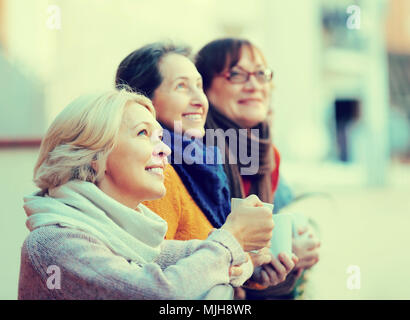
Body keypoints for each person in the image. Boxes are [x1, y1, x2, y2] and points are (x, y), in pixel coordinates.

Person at [18, 89, 276, 300]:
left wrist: (249, 261)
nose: (164, 149)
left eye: (160, 137)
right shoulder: (54, 242)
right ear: (94, 155)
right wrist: (232, 238)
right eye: (143, 133)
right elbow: (158, 294)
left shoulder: (128, 237)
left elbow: (193, 257)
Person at [115, 43, 298, 291]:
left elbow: (203, 263)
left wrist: (250, 271)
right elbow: (154, 280)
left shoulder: (203, 165)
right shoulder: (158, 170)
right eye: (181, 86)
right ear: (143, 102)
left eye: (198, 86)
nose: (199, 100)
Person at [195, 38, 321, 299]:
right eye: (237, 74)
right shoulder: (194, 155)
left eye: (261, 74)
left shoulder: (267, 156)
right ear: (204, 89)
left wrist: (292, 252)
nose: (253, 85)